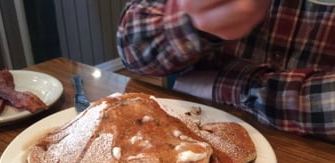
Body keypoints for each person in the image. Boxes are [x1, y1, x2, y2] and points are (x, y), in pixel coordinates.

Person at [117, 0, 335, 142]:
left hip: (318, 159)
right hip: (192, 130)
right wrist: (192, 22)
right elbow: (132, 49)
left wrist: (229, 86)